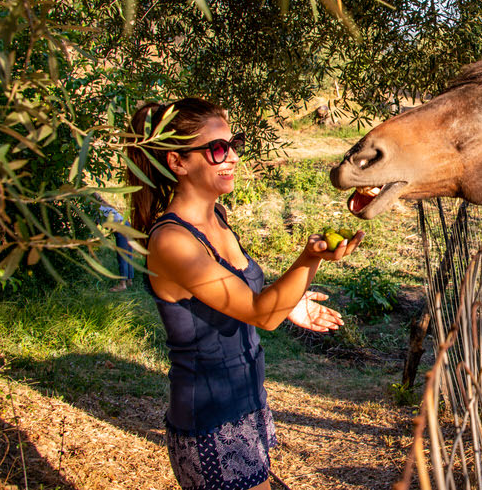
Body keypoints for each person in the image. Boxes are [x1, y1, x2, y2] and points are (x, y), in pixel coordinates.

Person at [126, 97, 361, 490]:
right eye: (218, 149)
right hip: (211, 418)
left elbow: (240, 298)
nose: (232, 156)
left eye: (234, 143)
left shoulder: (216, 216)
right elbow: (258, 313)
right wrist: (309, 259)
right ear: (177, 162)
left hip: (247, 401)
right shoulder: (172, 241)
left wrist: (287, 302)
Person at [95, 195, 135, 292]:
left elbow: (97, 224)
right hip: (127, 225)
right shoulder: (105, 205)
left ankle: (122, 284)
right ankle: (129, 281)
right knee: (128, 254)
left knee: (122, 256)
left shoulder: (96, 209)